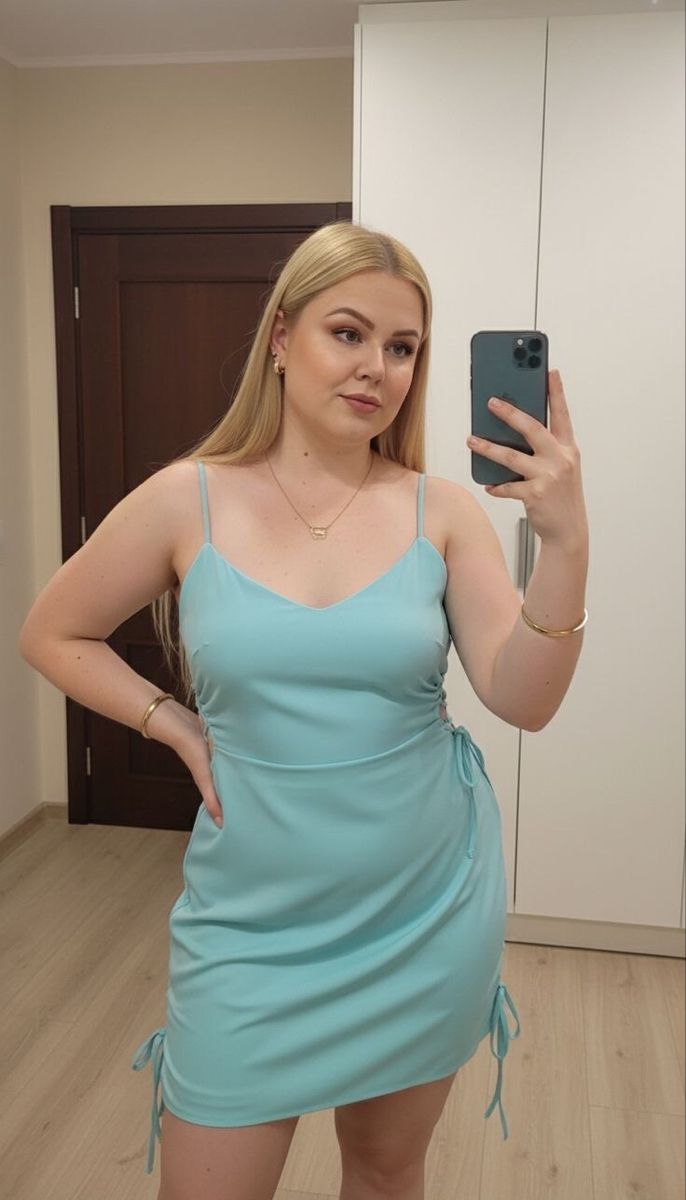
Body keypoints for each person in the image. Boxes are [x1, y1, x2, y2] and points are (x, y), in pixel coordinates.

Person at [19, 220, 589, 1200]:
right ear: (281, 338)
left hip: (422, 910)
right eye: (347, 332)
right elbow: (53, 632)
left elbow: (523, 699)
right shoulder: (185, 500)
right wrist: (172, 724)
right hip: (251, 927)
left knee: (385, 1172)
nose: (376, 367)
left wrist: (567, 543)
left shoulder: (442, 513)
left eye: (401, 347)